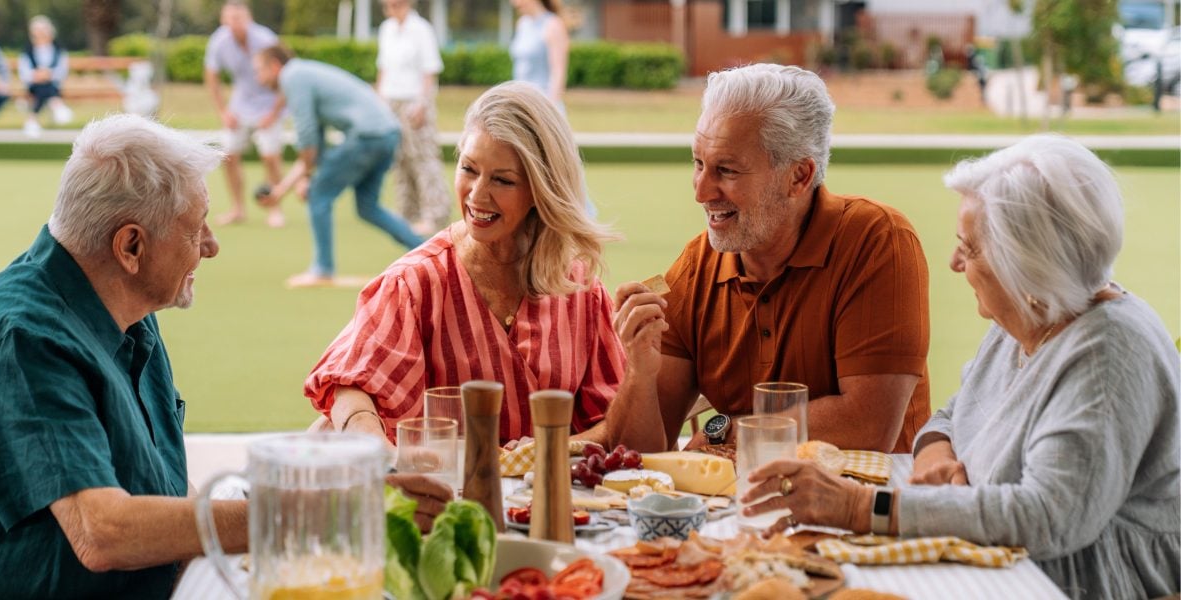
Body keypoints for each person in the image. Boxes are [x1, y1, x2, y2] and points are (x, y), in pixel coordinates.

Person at [740, 135, 1180, 599]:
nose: (954, 263)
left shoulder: (1108, 355)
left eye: (969, 248)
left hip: (1072, 584)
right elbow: (954, 414)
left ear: (1024, 265)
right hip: (996, 563)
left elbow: (1046, 519)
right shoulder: (1035, 312)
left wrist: (861, 507)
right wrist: (939, 460)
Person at [0, 114, 243, 598]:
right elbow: (101, 533)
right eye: (195, 229)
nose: (211, 246)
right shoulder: (21, 336)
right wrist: (296, 514)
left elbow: (166, 486)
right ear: (131, 245)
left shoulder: (128, 307)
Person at [610, 64, 931, 454]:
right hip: (743, 492)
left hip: (871, 491)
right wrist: (639, 374)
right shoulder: (694, 268)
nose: (701, 192)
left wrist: (725, 431)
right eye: (698, 164)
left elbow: (868, 424)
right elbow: (638, 455)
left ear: (798, 177)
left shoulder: (878, 240)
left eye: (726, 170)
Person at [304, 81, 631, 450]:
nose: (477, 195)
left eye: (502, 180)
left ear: (542, 189)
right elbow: (351, 385)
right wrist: (374, 444)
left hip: (539, 487)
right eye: (469, 169)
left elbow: (612, 421)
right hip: (436, 484)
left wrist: (547, 449)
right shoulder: (415, 282)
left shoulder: (579, 286)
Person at [253, 46, 424, 288]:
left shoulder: (292, 76)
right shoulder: (305, 73)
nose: (258, 78)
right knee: (368, 207)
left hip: (367, 136)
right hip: (388, 134)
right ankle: (426, 250)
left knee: (319, 195)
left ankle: (323, 269)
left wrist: (304, 181)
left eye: (259, 71)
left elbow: (306, 135)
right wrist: (286, 187)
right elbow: (317, 144)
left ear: (274, 66)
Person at [204, 0, 287, 228]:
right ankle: (237, 209)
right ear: (223, 20)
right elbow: (212, 77)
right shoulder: (219, 41)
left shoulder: (265, 39)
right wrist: (223, 112)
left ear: (248, 19)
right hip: (240, 105)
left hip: (269, 103)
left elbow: (285, 76)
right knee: (228, 155)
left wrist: (274, 113)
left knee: (270, 156)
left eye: (239, 19)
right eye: (230, 19)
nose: (234, 24)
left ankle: (275, 209)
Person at [377, 0, 451, 237]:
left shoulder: (421, 30)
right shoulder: (386, 29)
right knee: (399, 159)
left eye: (396, 4)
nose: (392, 8)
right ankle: (407, 212)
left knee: (423, 157)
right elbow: (383, 70)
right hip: (391, 102)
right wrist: (379, 102)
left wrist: (422, 103)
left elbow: (429, 71)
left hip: (414, 101)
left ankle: (435, 213)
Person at [18, 15, 72, 138]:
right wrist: (37, 75)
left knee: (44, 87)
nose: (41, 34)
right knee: (43, 87)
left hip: (53, 84)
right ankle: (56, 104)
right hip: (34, 86)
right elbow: (24, 74)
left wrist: (49, 74)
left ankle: (32, 120)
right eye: (38, 32)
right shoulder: (27, 51)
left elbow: (62, 71)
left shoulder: (58, 50)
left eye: (43, 31)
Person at [509, 0, 569, 108]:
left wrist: (550, 107)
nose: (514, 3)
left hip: (544, 104)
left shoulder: (553, 24)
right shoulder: (522, 24)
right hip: (522, 103)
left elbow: (558, 71)